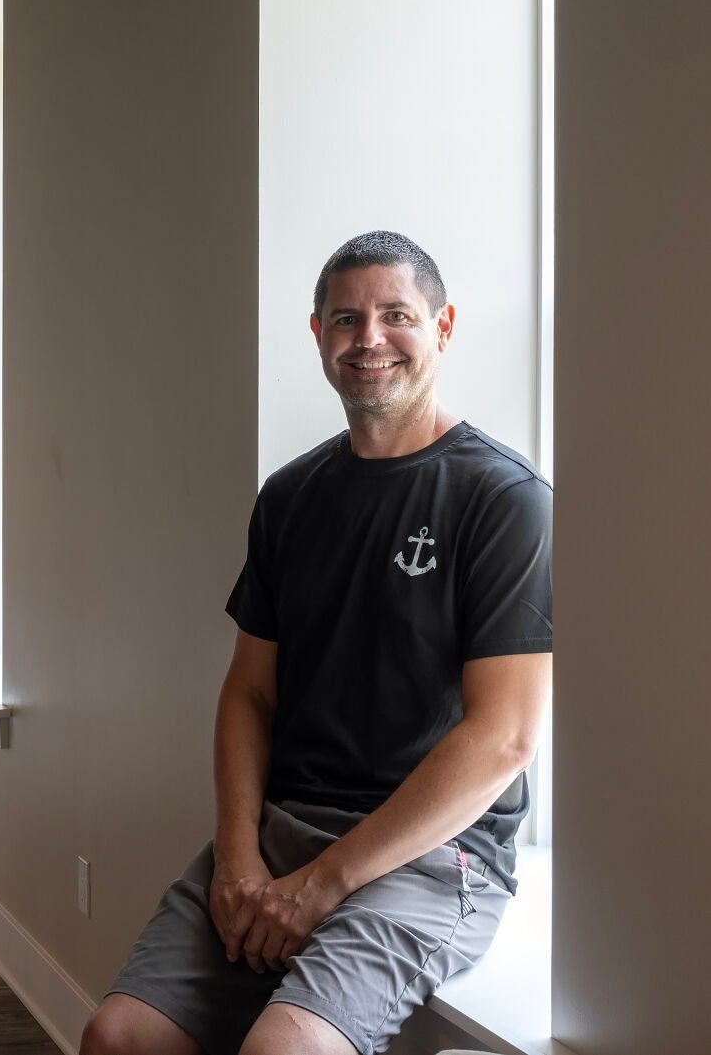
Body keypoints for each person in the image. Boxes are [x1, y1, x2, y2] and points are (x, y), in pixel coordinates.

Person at [82, 231, 552, 1055]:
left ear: (443, 328)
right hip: (282, 831)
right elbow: (248, 692)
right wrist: (237, 861)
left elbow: (505, 738)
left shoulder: (504, 500)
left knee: (283, 1051)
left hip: (435, 857)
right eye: (346, 318)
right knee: (119, 1035)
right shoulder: (291, 496)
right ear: (318, 334)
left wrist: (323, 885)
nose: (368, 338)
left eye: (396, 315)